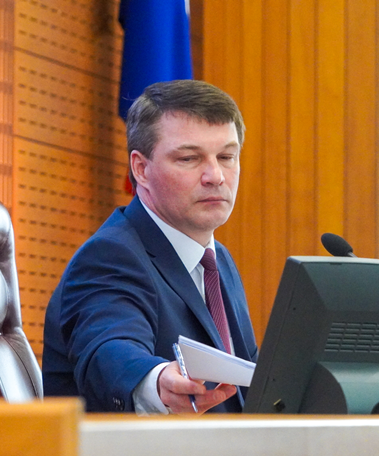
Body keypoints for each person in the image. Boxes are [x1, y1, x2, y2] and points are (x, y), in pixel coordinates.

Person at [42, 79, 258, 414]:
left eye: (227, 157)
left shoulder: (218, 261)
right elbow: (110, 348)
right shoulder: (111, 256)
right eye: (189, 158)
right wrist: (155, 381)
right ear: (141, 169)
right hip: (130, 447)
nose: (216, 175)